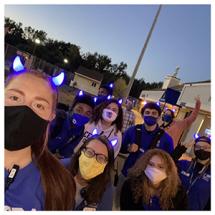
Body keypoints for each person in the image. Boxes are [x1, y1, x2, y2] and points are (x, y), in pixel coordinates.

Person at [5, 70, 75, 210]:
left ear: (51, 117)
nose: (24, 110)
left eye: (39, 105)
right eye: (14, 97)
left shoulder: (58, 183)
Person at [120, 148, 188, 210]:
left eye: (161, 167)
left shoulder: (178, 194)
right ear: (144, 165)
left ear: (168, 171)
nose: (155, 169)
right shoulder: (130, 186)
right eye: (151, 164)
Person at [121, 102, 174, 177]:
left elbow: (169, 162)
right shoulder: (132, 130)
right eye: (147, 112)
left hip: (149, 180)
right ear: (142, 115)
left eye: (154, 113)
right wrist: (128, 148)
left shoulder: (166, 139)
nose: (150, 115)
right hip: (128, 174)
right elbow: (121, 148)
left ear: (159, 117)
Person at [64, 135, 115, 210]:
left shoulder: (106, 189)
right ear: (81, 152)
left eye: (101, 158)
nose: (93, 161)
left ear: (106, 165)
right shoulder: (61, 168)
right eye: (90, 152)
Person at [48, 93, 95, 158]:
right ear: (72, 108)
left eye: (87, 113)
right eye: (79, 110)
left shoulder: (80, 130)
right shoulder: (57, 117)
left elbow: (66, 151)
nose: (82, 115)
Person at [174, 135, 211, 210]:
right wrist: (180, 150)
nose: (201, 149)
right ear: (194, 149)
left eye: (206, 147)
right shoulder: (183, 164)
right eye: (198, 146)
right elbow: (167, 165)